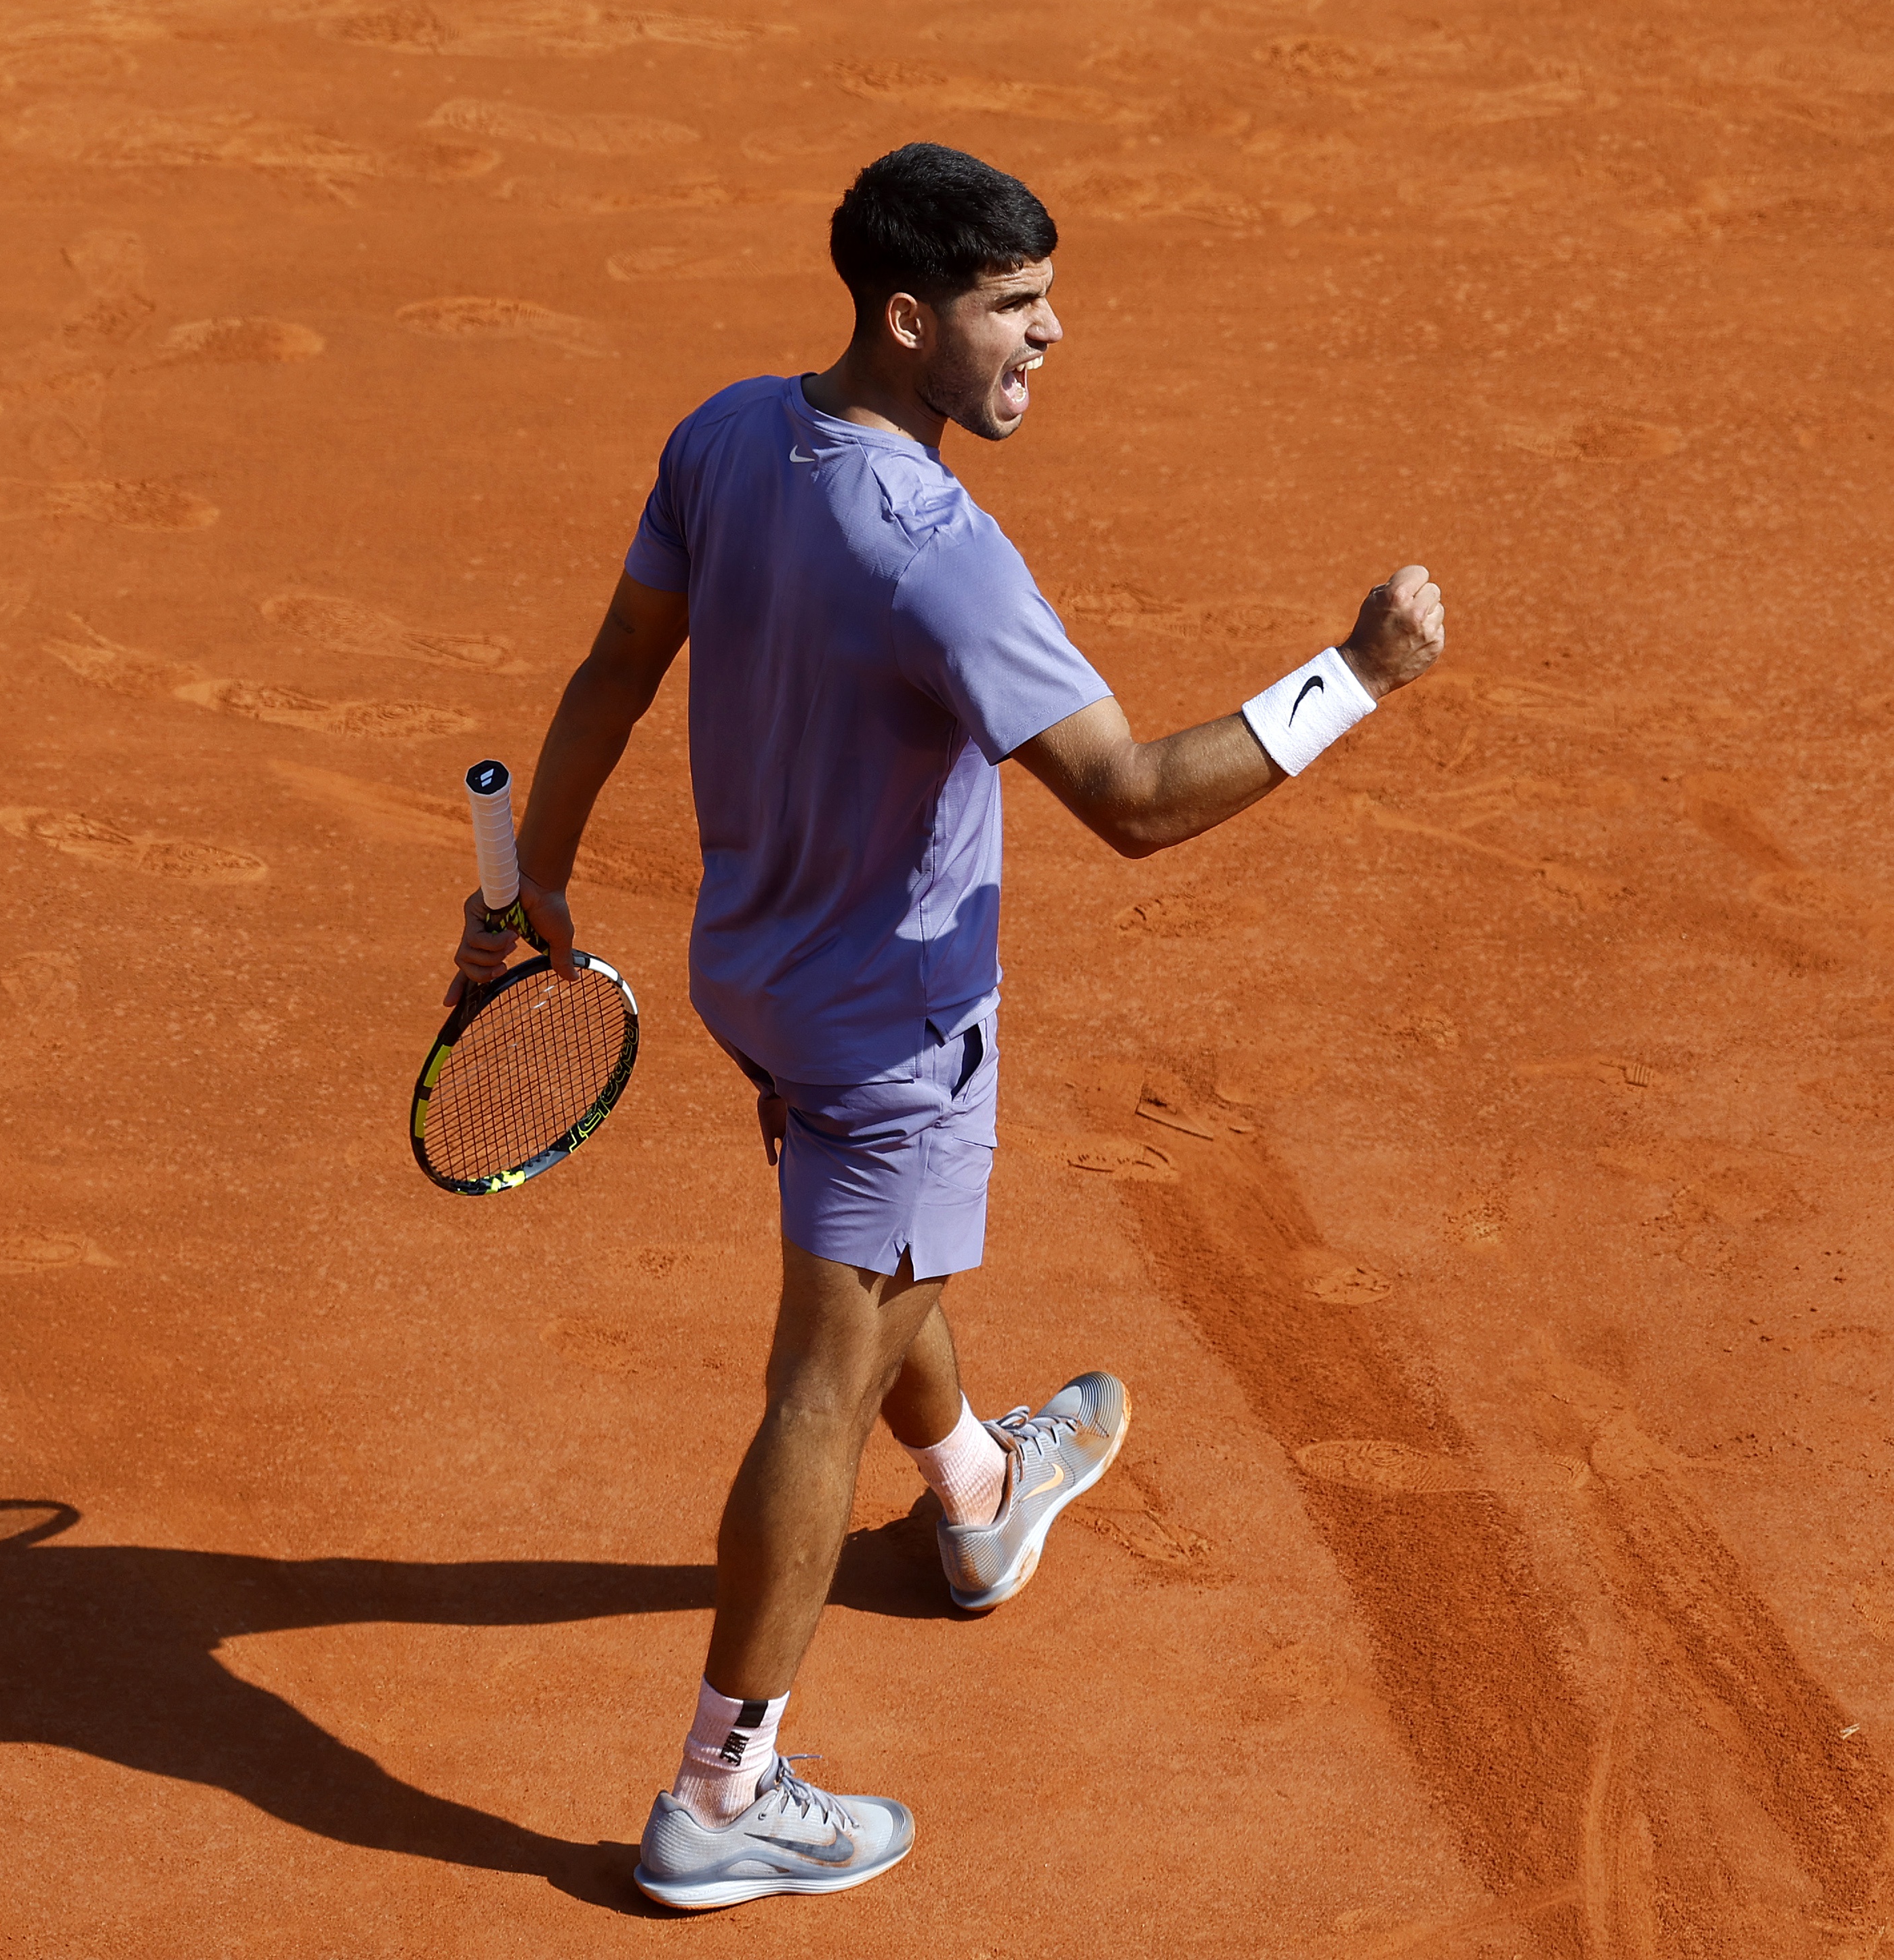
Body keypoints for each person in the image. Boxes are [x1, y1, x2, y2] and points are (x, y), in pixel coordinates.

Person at [448, 141, 1447, 1911]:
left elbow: (615, 666)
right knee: (816, 1377)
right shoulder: (942, 562)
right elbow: (1135, 799)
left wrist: (532, 888)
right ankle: (718, 1791)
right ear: (909, 319)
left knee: (887, 1266)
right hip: (886, 1031)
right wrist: (1351, 677)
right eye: (1012, 307)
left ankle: (979, 1494)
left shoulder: (726, 439)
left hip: (750, 973)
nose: (1050, 335)